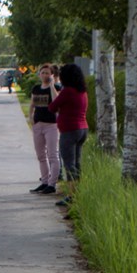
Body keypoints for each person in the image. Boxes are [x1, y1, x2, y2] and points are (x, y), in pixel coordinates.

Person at [50, 63, 90, 207]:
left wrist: (53, 88)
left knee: (69, 165)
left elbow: (52, 107)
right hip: (82, 129)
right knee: (77, 163)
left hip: (69, 131)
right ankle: (78, 193)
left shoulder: (67, 91)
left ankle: (72, 196)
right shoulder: (82, 91)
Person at [28, 64, 61, 195]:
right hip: (38, 125)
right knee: (41, 155)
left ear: (52, 75)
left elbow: (56, 102)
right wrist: (31, 117)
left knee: (52, 155)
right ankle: (45, 181)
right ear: (39, 74)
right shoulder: (36, 88)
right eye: (43, 73)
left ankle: (52, 184)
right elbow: (32, 104)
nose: (45, 75)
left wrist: (52, 85)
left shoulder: (56, 88)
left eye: (48, 73)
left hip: (51, 125)